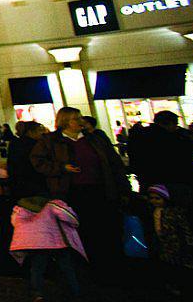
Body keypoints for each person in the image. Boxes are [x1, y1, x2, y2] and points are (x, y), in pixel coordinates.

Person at [29, 106, 127, 277]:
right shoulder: (50, 141)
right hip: (72, 191)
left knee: (105, 226)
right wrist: (61, 168)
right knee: (81, 229)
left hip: (99, 188)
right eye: (76, 119)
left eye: (80, 118)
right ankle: (88, 266)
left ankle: (110, 264)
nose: (81, 122)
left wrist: (122, 187)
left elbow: (113, 162)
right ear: (65, 122)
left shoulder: (94, 139)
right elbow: (38, 162)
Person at [8, 197, 84, 302]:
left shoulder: (21, 208)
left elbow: (14, 222)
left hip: (36, 244)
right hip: (56, 242)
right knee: (66, 267)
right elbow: (71, 218)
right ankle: (74, 291)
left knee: (37, 268)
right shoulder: (54, 205)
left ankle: (38, 294)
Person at [144, 184, 193, 296]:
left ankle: (179, 286)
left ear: (165, 199)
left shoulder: (174, 212)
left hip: (175, 243)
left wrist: (189, 242)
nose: (154, 201)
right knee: (166, 265)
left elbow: (184, 228)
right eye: (152, 198)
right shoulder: (153, 211)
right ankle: (169, 285)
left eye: (157, 198)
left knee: (176, 265)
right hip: (162, 243)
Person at [7, 121, 47, 201]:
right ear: (31, 132)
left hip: (17, 182)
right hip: (35, 182)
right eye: (39, 130)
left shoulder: (14, 143)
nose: (42, 133)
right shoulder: (37, 144)